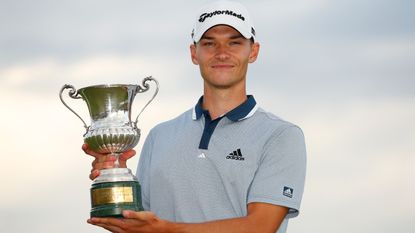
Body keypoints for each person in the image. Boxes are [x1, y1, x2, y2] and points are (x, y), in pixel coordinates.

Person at [84, 1, 307, 232]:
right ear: (194, 53)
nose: (222, 53)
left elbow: (259, 227)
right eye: (210, 43)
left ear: (253, 52)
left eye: (234, 42)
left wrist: (165, 230)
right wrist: (113, 176)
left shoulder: (281, 135)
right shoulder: (160, 136)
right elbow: (142, 224)